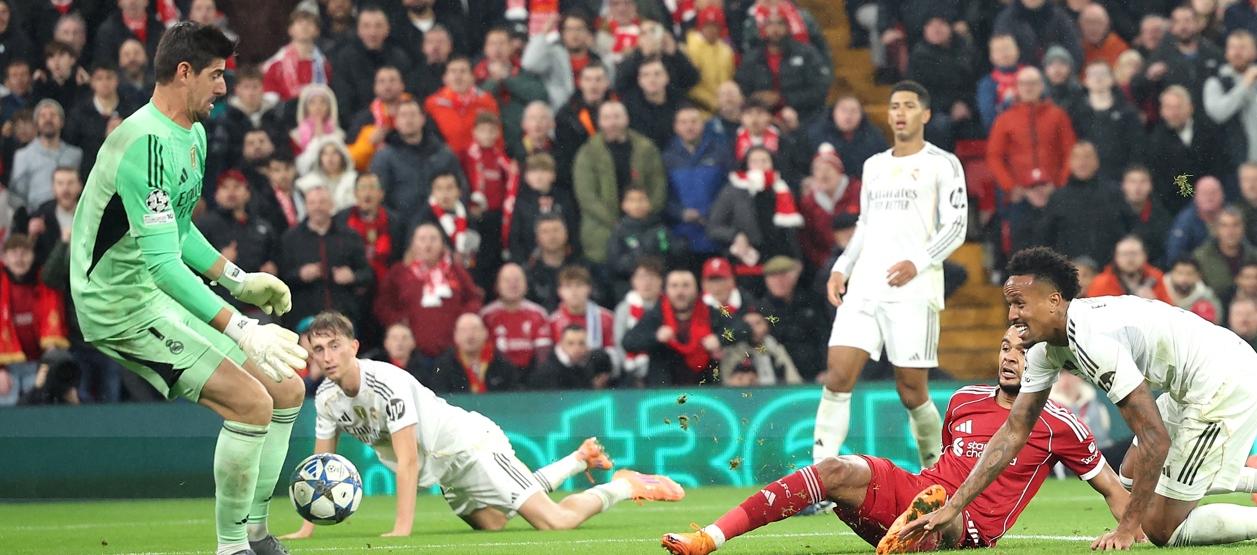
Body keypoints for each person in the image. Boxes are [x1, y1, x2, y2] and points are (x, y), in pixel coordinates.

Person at [68, 23, 307, 555]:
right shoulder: (145, 144)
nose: (223, 87)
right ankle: (232, 549)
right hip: (117, 307)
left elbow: (177, 229)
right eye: (216, 75)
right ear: (184, 73)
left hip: (151, 293)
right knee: (250, 403)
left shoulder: (191, 134)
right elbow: (162, 266)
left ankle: (256, 534)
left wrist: (239, 281)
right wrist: (242, 328)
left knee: (286, 388)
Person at [901, 246, 1257, 550]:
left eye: (1020, 303)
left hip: (1222, 384)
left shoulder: (1092, 340)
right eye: (1010, 304)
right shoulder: (1046, 351)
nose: (1012, 315)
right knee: (1131, 475)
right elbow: (1012, 432)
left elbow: (1155, 438)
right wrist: (953, 506)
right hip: (1191, 384)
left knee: (1162, 529)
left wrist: (1127, 529)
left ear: (1054, 301)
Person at [662, 325, 1129, 555]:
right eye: (1005, 347)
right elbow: (945, 461)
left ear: (1047, 361)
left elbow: (1112, 489)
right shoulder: (965, 400)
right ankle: (710, 537)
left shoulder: (1059, 423)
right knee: (834, 469)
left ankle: (919, 529)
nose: (1010, 358)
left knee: (946, 514)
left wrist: (1132, 531)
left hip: (967, 528)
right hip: (922, 491)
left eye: (1023, 351)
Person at [282, 311, 682, 539]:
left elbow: (407, 461)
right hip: (446, 471)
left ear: (353, 347)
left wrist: (401, 529)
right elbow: (321, 468)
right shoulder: (328, 399)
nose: (327, 356)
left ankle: (625, 485)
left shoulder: (386, 383)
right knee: (494, 523)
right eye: (318, 349)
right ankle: (577, 460)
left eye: (334, 346)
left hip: (472, 448)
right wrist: (306, 529)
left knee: (554, 521)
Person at [814, 82, 967, 473]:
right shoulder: (874, 165)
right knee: (837, 377)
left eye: (909, 106)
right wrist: (843, 266)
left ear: (925, 114)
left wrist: (918, 261)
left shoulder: (943, 163)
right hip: (866, 286)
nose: (900, 112)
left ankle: (936, 473)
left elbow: (956, 226)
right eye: (895, 106)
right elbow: (865, 224)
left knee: (912, 392)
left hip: (913, 290)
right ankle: (819, 477)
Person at [572, 100, 667, 265]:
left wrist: (643, 213)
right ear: (599, 122)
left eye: (617, 117)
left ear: (626, 118)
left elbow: (658, 185)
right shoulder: (587, 153)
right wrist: (616, 223)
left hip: (646, 229)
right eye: (607, 118)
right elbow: (587, 196)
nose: (613, 122)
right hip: (602, 232)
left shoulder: (646, 149)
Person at [375, 223, 483, 363]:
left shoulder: (456, 271)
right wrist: (399, 320)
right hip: (412, 353)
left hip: (453, 350)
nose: (428, 244)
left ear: (442, 244)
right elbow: (382, 304)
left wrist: (463, 319)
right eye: (422, 239)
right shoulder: (399, 272)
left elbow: (474, 298)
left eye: (433, 239)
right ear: (413, 244)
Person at [621, 269, 743, 386]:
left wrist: (720, 339)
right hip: (664, 391)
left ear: (697, 289)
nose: (680, 292)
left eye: (686, 286)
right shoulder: (656, 315)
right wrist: (655, 337)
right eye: (674, 286)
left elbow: (742, 328)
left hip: (705, 390)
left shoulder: (710, 313)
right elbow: (628, 341)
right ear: (666, 290)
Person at [278, 186, 373, 329]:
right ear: (306, 206)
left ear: (331, 205)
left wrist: (352, 276)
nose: (318, 207)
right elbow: (280, 276)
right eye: (312, 203)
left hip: (343, 317)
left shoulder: (350, 237)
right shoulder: (290, 238)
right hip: (303, 319)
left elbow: (367, 274)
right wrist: (300, 275)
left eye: (322, 202)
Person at [0, 233, 70, 407]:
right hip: (6, 366)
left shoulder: (45, 283)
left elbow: (53, 326)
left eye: (24, 252)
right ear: (4, 258)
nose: (19, 258)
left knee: (39, 406)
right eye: (14, 253)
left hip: (38, 364)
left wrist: (49, 363)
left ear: (32, 256)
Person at [1037, 142, 1130, 267]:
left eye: (1087, 157)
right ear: (1070, 163)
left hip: (1109, 269)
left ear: (1096, 162)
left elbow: (1129, 229)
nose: (1082, 163)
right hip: (1069, 270)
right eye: (1077, 157)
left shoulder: (1114, 194)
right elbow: (1045, 236)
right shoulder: (1058, 198)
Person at [986, 67, 1075, 195]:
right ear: (1016, 87)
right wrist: (1011, 187)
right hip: (1018, 193)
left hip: (1054, 191)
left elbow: (1070, 152)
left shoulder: (1058, 115)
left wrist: (1060, 185)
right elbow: (994, 156)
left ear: (1041, 86)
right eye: (1023, 84)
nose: (1028, 88)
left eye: (1033, 83)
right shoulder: (1004, 119)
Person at [734, 7, 833, 122]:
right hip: (762, 118)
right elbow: (741, 88)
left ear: (788, 27)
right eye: (770, 24)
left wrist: (782, 99)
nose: (775, 29)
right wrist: (756, 98)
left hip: (805, 116)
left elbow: (820, 89)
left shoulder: (806, 54)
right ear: (763, 28)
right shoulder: (752, 58)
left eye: (780, 23)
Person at [1069, 61, 1145, 184]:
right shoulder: (1075, 113)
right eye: (1093, 74)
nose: (1098, 78)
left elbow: (1137, 147)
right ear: (1085, 81)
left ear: (1112, 79)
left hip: (1120, 178)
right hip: (1086, 179)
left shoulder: (1127, 112)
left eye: (1103, 73)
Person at [330, 6, 412, 121]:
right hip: (358, 123)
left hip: (398, 121)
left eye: (378, 26)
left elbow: (408, 95)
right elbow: (344, 102)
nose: (372, 32)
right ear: (358, 30)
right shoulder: (345, 58)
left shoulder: (399, 58)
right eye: (366, 26)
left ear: (387, 29)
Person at [10, 99, 82, 220]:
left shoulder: (75, 154)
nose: (48, 119)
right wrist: (26, 220)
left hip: (72, 218)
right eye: (43, 116)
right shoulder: (22, 156)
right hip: (36, 219)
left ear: (62, 122)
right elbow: (15, 195)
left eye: (53, 115)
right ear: (36, 123)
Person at [480, 262, 551, 374]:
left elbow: (543, 356)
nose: (513, 285)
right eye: (507, 281)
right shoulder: (486, 316)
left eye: (517, 280)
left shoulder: (539, 314)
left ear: (526, 284)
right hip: (497, 375)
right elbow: (483, 353)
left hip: (530, 376)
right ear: (497, 286)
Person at [1203, 29, 1257, 169]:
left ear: (1254, 52)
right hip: (1232, 162)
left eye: (1243, 47)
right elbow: (1219, 114)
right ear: (1226, 52)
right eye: (1233, 48)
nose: (1237, 53)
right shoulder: (1215, 82)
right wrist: (1245, 84)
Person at [425, 313, 519, 393]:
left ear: (485, 333)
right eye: (463, 330)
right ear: (455, 336)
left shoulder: (502, 362)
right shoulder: (444, 365)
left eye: (475, 329)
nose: (470, 336)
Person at [424, 56, 499, 154]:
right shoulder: (432, 103)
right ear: (445, 78)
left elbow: (497, 135)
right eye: (453, 71)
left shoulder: (487, 101)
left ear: (473, 77)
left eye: (463, 71)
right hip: (448, 160)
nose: (458, 77)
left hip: (479, 159)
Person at [261, 9, 332, 103]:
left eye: (309, 23)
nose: (304, 27)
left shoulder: (324, 65)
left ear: (317, 31)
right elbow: (269, 100)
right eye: (299, 23)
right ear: (290, 30)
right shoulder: (275, 65)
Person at [1085, 235, 1172, 303]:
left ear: (1145, 255)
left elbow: (1169, 310)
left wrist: (1154, 302)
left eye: (1134, 254)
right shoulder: (1102, 283)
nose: (1130, 259)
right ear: (1116, 257)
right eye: (1124, 254)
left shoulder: (1156, 276)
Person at [1193, 206, 1257, 295]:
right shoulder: (1201, 258)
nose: (1230, 231)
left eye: (1236, 225)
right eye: (1224, 226)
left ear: (1243, 228)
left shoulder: (1254, 256)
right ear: (1216, 229)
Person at [976, 34, 1023, 132]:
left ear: (1017, 51)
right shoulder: (987, 84)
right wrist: (1008, 103)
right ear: (991, 57)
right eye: (999, 51)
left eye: (1007, 48)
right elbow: (989, 120)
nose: (1004, 54)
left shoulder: (1031, 76)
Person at [1164, 257, 1224, 324]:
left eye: (1189, 274)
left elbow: (1216, 321)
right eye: (1179, 273)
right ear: (1171, 273)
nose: (1184, 279)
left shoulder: (1206, 296)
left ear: (1198, 276)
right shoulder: (1161, 287)